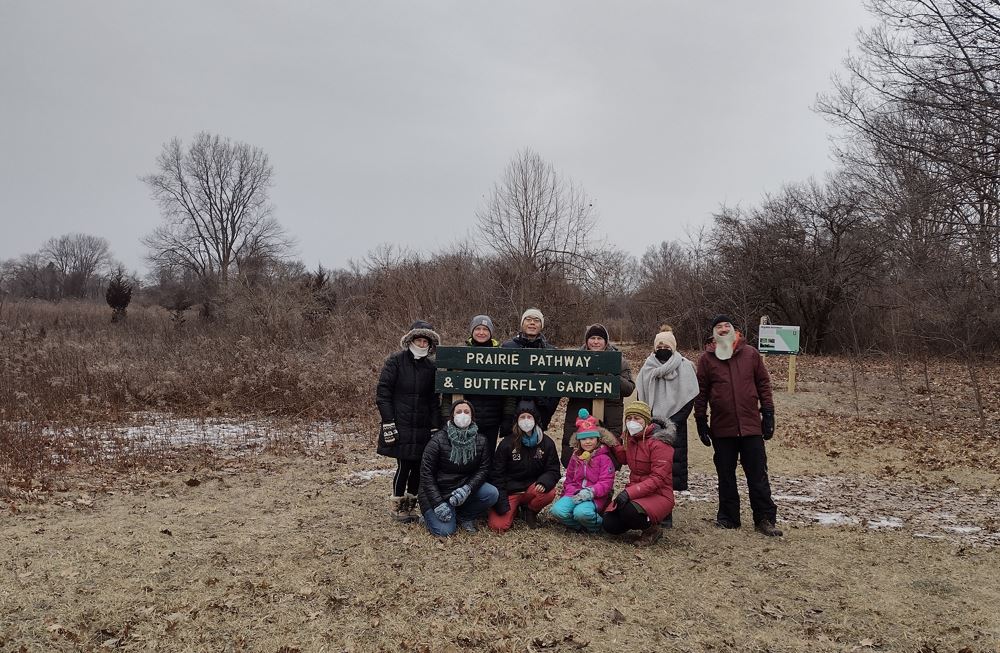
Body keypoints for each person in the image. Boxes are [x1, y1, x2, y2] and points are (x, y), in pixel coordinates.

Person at [694, 315, 782, 537]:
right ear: (713, 333)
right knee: (725, 474)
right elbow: (701, 391)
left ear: (735, 330)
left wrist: (768, 413)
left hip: (751, 426)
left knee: (758, 474)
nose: (723, 329)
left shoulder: (750, 353)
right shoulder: (707, 359)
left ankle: (764, 518)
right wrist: (701, 420)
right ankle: (728, 518)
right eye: (718, 327)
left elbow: (763, 383)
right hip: (722, 428)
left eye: (727, 326)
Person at [376, 320, 441, 523]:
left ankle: (412, 506)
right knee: (404, 465)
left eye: (426, 342)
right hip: (400, 423)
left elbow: (433, 399)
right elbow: (383, 392)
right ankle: (397, 505)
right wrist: (388, 421)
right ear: (411, 340)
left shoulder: (431, 367)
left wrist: (435, 424)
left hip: (422, 425)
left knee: (419, 467)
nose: (422, 345)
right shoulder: (395, 361)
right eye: (419, 340)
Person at [635, 327, 699, 500]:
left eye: (666, 344)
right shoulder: (647, 367)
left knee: (672, 467)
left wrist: (670, 423)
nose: (663, 347)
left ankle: (667, 502)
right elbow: (640, 395)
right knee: (653, 468)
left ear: (673, 346)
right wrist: (650, 422)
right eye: (659, 344)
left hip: (676, 425)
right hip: (651, 425)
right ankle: (655, 500)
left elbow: (689, 397)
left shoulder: (685, 367)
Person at [419, 400, 499, 536]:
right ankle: (428, 517)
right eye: (458, 412)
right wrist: (438, 503)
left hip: (463, 489)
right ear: (452, 416)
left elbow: (483, 469)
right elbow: (426, 474)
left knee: (491, 493)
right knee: (445, 531)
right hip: (438, 492)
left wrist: (467, 488)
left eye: (466, 412)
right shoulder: (438, 440)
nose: (463, 415)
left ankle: (465, 516)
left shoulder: (481, 440)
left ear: (472, 417)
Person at [561, 323, 635, 467]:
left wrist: (610, 374)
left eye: (599, 338)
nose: (596, 342)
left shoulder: (619, 361)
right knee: (575, 454)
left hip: (609, 416)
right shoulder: (575, 359)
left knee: (607, 456)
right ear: (586, 340)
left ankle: (604, 486)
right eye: (592, 338)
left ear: (606, 341)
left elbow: (629, 389)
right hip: (579, 414)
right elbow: (563, 385)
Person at [603, 401, 675, 546]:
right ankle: (636, 519)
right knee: (609, 524)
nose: (632, 422)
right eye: (629, 418)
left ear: (647, 421)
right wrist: (612, 441)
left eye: (637, 418)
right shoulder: (631, 438)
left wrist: (629, 493)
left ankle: (653, 530)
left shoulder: (660, 443)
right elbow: (624, 459)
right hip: (636, 490)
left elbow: (658, 478)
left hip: (659, 493)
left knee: (629, 512)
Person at [488, 401, 561, 531]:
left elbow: (553, 469)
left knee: (549, 492)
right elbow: (496, 474)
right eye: (522, 417)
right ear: (517, 420)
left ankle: (530, 510)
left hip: (532, 489)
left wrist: (544, 482)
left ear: (536, 420)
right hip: (510, 491)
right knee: (498, 526)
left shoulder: (547, 443)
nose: (526, 421)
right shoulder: (507, 444)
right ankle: (513, 509)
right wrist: (503, 504)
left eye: (529, 417)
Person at [440, 315, 505, 452]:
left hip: (492, 419)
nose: (481, 332)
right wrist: (447, 416)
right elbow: (448, 388)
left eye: (485, 329)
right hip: (465, 419)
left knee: (487, 456)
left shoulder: (501, 355)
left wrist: (507, 417)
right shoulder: (459, 354)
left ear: (491, 332)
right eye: (478, 329)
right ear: (472, 331)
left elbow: (509, 389)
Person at [550, 408, 617, 533]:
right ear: (579, 441)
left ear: (597, 439)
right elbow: (569, 479)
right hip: (574, 493)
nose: (588, 442)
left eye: (591, 438)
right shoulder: (575, 457)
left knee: (581, 513)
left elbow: (606, 483)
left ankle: (596, 526)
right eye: (584, 439)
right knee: (557, 511)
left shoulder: (604, 458)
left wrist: (590, 492)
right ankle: (579, 526)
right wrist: (567, 494)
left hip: (594, 496)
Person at [500, 308, 561, 433]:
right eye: (528, 319)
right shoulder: (507, 347)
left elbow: (557, 387)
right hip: (511, 412)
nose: (532, 323)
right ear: (522, 323)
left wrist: (547, 410)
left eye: (536, 320)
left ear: (541, 326)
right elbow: (499, 381)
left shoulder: (551, 351)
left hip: (539, 411)